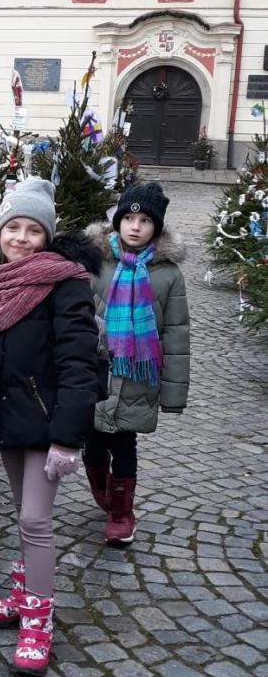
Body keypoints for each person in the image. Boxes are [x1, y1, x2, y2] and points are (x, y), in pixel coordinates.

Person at [0, 178, 101, 677]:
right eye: (12, 226)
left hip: (48, 426)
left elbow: (80, 366)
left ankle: (38, 620)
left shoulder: (66, 285)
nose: (20, 237)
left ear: (47, 236)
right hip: (8, 420)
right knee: (22, 514)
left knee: (36, 521)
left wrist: (66, 439)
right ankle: (23, 593)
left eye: (32, 229)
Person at [84, 182, 190, 544]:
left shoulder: (167, 274)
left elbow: (177, 333)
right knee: (93, 442)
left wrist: (174, 392)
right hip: (96, 370)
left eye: (145, 220)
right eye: (128, 217)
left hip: (138, 374)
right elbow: (77, 314)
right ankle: (99, 479)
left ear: (156, 228)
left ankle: (120, 511)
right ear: (117, 220)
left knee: (124, 443)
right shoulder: (97, 260)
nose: (135, 226)